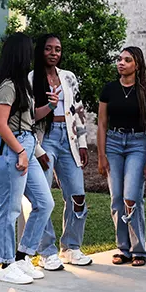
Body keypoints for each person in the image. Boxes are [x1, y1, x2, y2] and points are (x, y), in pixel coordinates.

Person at [0, 33, 58, 285]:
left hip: (26, 144)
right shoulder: (7, 85)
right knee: (10, 209)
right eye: (29, 51)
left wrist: (49, 107)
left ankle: (22, 256)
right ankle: (6, 264)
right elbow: (0, 123)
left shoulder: (22, 85)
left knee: (44, 202)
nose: (33, 56)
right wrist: (20, 151)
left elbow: (28, 120)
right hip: (10, 149)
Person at [30, 34, 93, 269]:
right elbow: (27, 119)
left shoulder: (69, 77)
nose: (54, 53)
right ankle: (46, 251)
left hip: (69, 139)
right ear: (41, 51)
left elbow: (78, 110)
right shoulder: (30, 79)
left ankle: (71, 247)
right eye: (49, 49)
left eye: (58, 49)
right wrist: (37, 150)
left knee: (78, 195)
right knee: (43, 197)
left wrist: (83, 143)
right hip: (44, 140)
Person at [97, 46, 146, 267]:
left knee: (131, 197)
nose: (121, 63)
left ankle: (139, 249)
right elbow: (102, 123)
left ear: (137, 65)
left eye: (127, 60)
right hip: (113, 143)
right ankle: (123, 249)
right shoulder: (109, 89)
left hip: (137, 144)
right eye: (120, 59)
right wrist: (101, 154)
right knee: (116, 198)